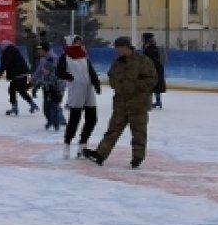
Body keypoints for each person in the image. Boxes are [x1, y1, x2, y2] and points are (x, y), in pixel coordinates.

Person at [82, 36, 157, 169]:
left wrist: (135, 86)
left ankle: (137, 157)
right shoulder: (117, 62)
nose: (118, 51)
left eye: (120, 48)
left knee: (138, 132)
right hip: (121, 103)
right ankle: (100, 154)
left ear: (127, 47)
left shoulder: (143, 61)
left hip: (138, 104)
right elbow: (111, 76)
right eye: (117, 49)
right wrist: (116, 85)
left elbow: (152, 79)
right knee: (112, 130)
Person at [56, 35, 101, 158]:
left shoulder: (84, 55)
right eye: (75, 42)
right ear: (70, 43)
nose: (78, 44)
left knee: (92, 118)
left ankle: (83, 143)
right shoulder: (65, 57)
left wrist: (96, 83)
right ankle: (67, 144)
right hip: (76, 88)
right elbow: (58, 72)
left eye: (80, 42)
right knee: (75, 118)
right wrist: (69, 77)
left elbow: (90, 71)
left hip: (88, 88)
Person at [29, 41, 66, 131]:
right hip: (47, 86)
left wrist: (38, 83)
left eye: (40, 49)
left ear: (45, 50)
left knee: (54, 106)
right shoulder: (43, 59)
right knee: (46, 107)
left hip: (57, 86)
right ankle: (50, 120)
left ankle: (56, 123)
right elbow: (39, 71)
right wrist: (33, 79)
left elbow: (50, 74)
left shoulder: (52, 58)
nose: (38, 51)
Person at [0, 39, 36, 116]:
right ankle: (32, 104)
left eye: (0, 47)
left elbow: (3, 65)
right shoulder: (15, 51)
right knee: (21, 90)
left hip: (17, 74)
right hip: (24, 73)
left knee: (12, 90)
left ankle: (15, 107)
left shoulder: (8, 53)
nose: (0, 49)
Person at [142, 32, 167, 110]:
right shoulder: (157, 48)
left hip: (151, 69)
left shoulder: (147, 49)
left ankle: (149, 102)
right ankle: (158, 101)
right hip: (159, 69)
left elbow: (146, 59)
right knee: (157, 86)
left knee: (149, 86)